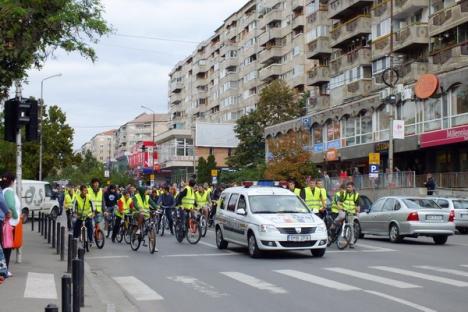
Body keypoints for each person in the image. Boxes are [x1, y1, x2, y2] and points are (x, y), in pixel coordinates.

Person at [1, 173, 21, 278]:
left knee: (5, 246)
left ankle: (4, 269)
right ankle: (5, 269)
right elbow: (11, 206)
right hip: (9, 223)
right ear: (12, 181)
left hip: (7, 222)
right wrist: (17, 215)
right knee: (7, 247)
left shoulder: (4, 190)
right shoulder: (8, 191)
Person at [339, 182, 360, 248]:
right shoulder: (344, 193)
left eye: (349, 187)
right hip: (343, 211)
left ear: (353, 187)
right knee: (340, 221)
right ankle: (336, 232)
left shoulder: (356, 195)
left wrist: (357, 211)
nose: (348, 188)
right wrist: (341, 208)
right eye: (347, 187)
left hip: (351, 212)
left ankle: (351, 242)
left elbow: (358, 205)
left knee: (351, 226)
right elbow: (339, 203)